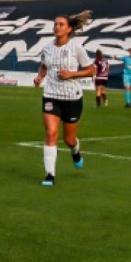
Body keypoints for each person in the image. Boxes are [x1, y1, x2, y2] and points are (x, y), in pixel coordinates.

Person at [33, 11, 96, 186]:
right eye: (55, 24)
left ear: (69, 29)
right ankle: (49, 175)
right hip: (51, 95)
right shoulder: (47, 48)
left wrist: (72, 74)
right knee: (51, 133)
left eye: (61, 24)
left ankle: (75, 151)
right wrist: (40, 77)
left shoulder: (76, 48)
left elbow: (91, 70)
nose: (56, 27)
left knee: (69, 139)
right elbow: (44, 65)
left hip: (72, 97)